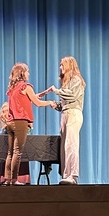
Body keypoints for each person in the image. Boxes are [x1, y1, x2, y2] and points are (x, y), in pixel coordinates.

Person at [3, 63, 54, 185]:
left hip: (10, 122)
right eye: (27, 71)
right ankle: (14, 179)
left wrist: (45, 93)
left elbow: (29, 99)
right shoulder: (26, 86)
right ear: (22, 73)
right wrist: (50, 102)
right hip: (20, 122)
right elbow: (37, 103)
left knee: (10, 152)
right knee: (17, 152)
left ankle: (7, 179)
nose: (29, 74)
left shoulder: (13, 88)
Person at [39, 56, 85, 184]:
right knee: (65, 146)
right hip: (65, 114)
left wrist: (56, 91)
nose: (60, 67)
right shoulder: (67, 82)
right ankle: (66, 174)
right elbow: (64, 102)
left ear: (69, 65)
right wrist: (56, 105)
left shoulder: (76, 80)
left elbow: (72, 96)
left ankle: (73, 175)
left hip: (73, 114)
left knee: (71, 144)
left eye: (62, 65)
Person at [0, 102, 31, 184]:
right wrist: (5, 127)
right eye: (4, 111)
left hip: (15, 145)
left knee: (22, 153)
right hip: (2, 148)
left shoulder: (15, 120)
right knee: (10, 155)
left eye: (8, 111)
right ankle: (7, 178)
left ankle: (21, 179)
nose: (6, 113)